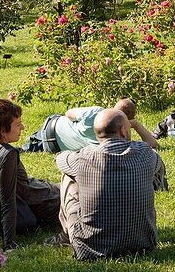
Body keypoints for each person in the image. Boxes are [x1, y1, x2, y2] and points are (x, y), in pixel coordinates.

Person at [55, 108, 167, 260]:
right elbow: (157, 160)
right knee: (155, 167)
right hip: (143, 244)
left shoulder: (84, 157)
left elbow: (60, 159)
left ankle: (66, 235)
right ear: (122, 130)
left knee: (68, 175)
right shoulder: (145, 153)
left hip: (90, 249)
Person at [0, 98, 61, 249]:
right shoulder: (7, 154)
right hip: (37, 203)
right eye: (17, 125)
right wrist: (9, 244)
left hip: (26, 195)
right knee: (74, 192)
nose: (22, 127)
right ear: (3, 129)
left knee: (61, 186)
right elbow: (8, 202)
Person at [39, 99, 159, 152]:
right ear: (125, 126)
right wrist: (136, 125)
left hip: (52, 125)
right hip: (53, 147)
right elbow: (154, 145)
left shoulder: (95, 112)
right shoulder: (118, 143)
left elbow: (69, 113)